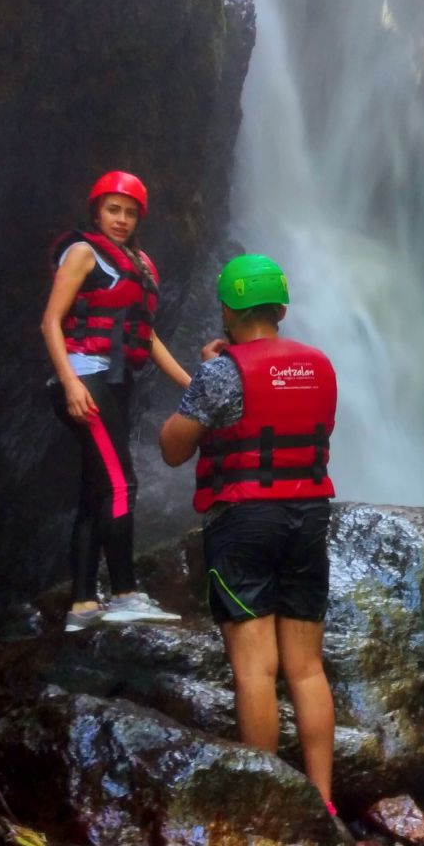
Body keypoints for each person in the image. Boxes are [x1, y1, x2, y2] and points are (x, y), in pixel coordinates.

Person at [158, 254, 339, 812]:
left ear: (227, 310)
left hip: (244, 521)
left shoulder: (220, 373)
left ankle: (264, 801)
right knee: (307, 668)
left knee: (255, 668)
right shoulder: (320, 364)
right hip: (308, 516)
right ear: (281, 308)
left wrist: (212, 373)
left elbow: (172, 447)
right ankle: (322, 803)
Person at [42, 170, 191, 631]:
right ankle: (125, 593)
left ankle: (83, 605)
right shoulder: (84, 253)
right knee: (122, 485)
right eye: (113, 210)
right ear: (96, 211)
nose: (121, 219)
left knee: (95, 493)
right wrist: (69, 383)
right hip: (88, 381)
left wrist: (191, 383)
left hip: (118, 382)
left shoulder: (140, 263)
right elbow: (51, 321)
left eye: (129, 212)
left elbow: (147, 335)